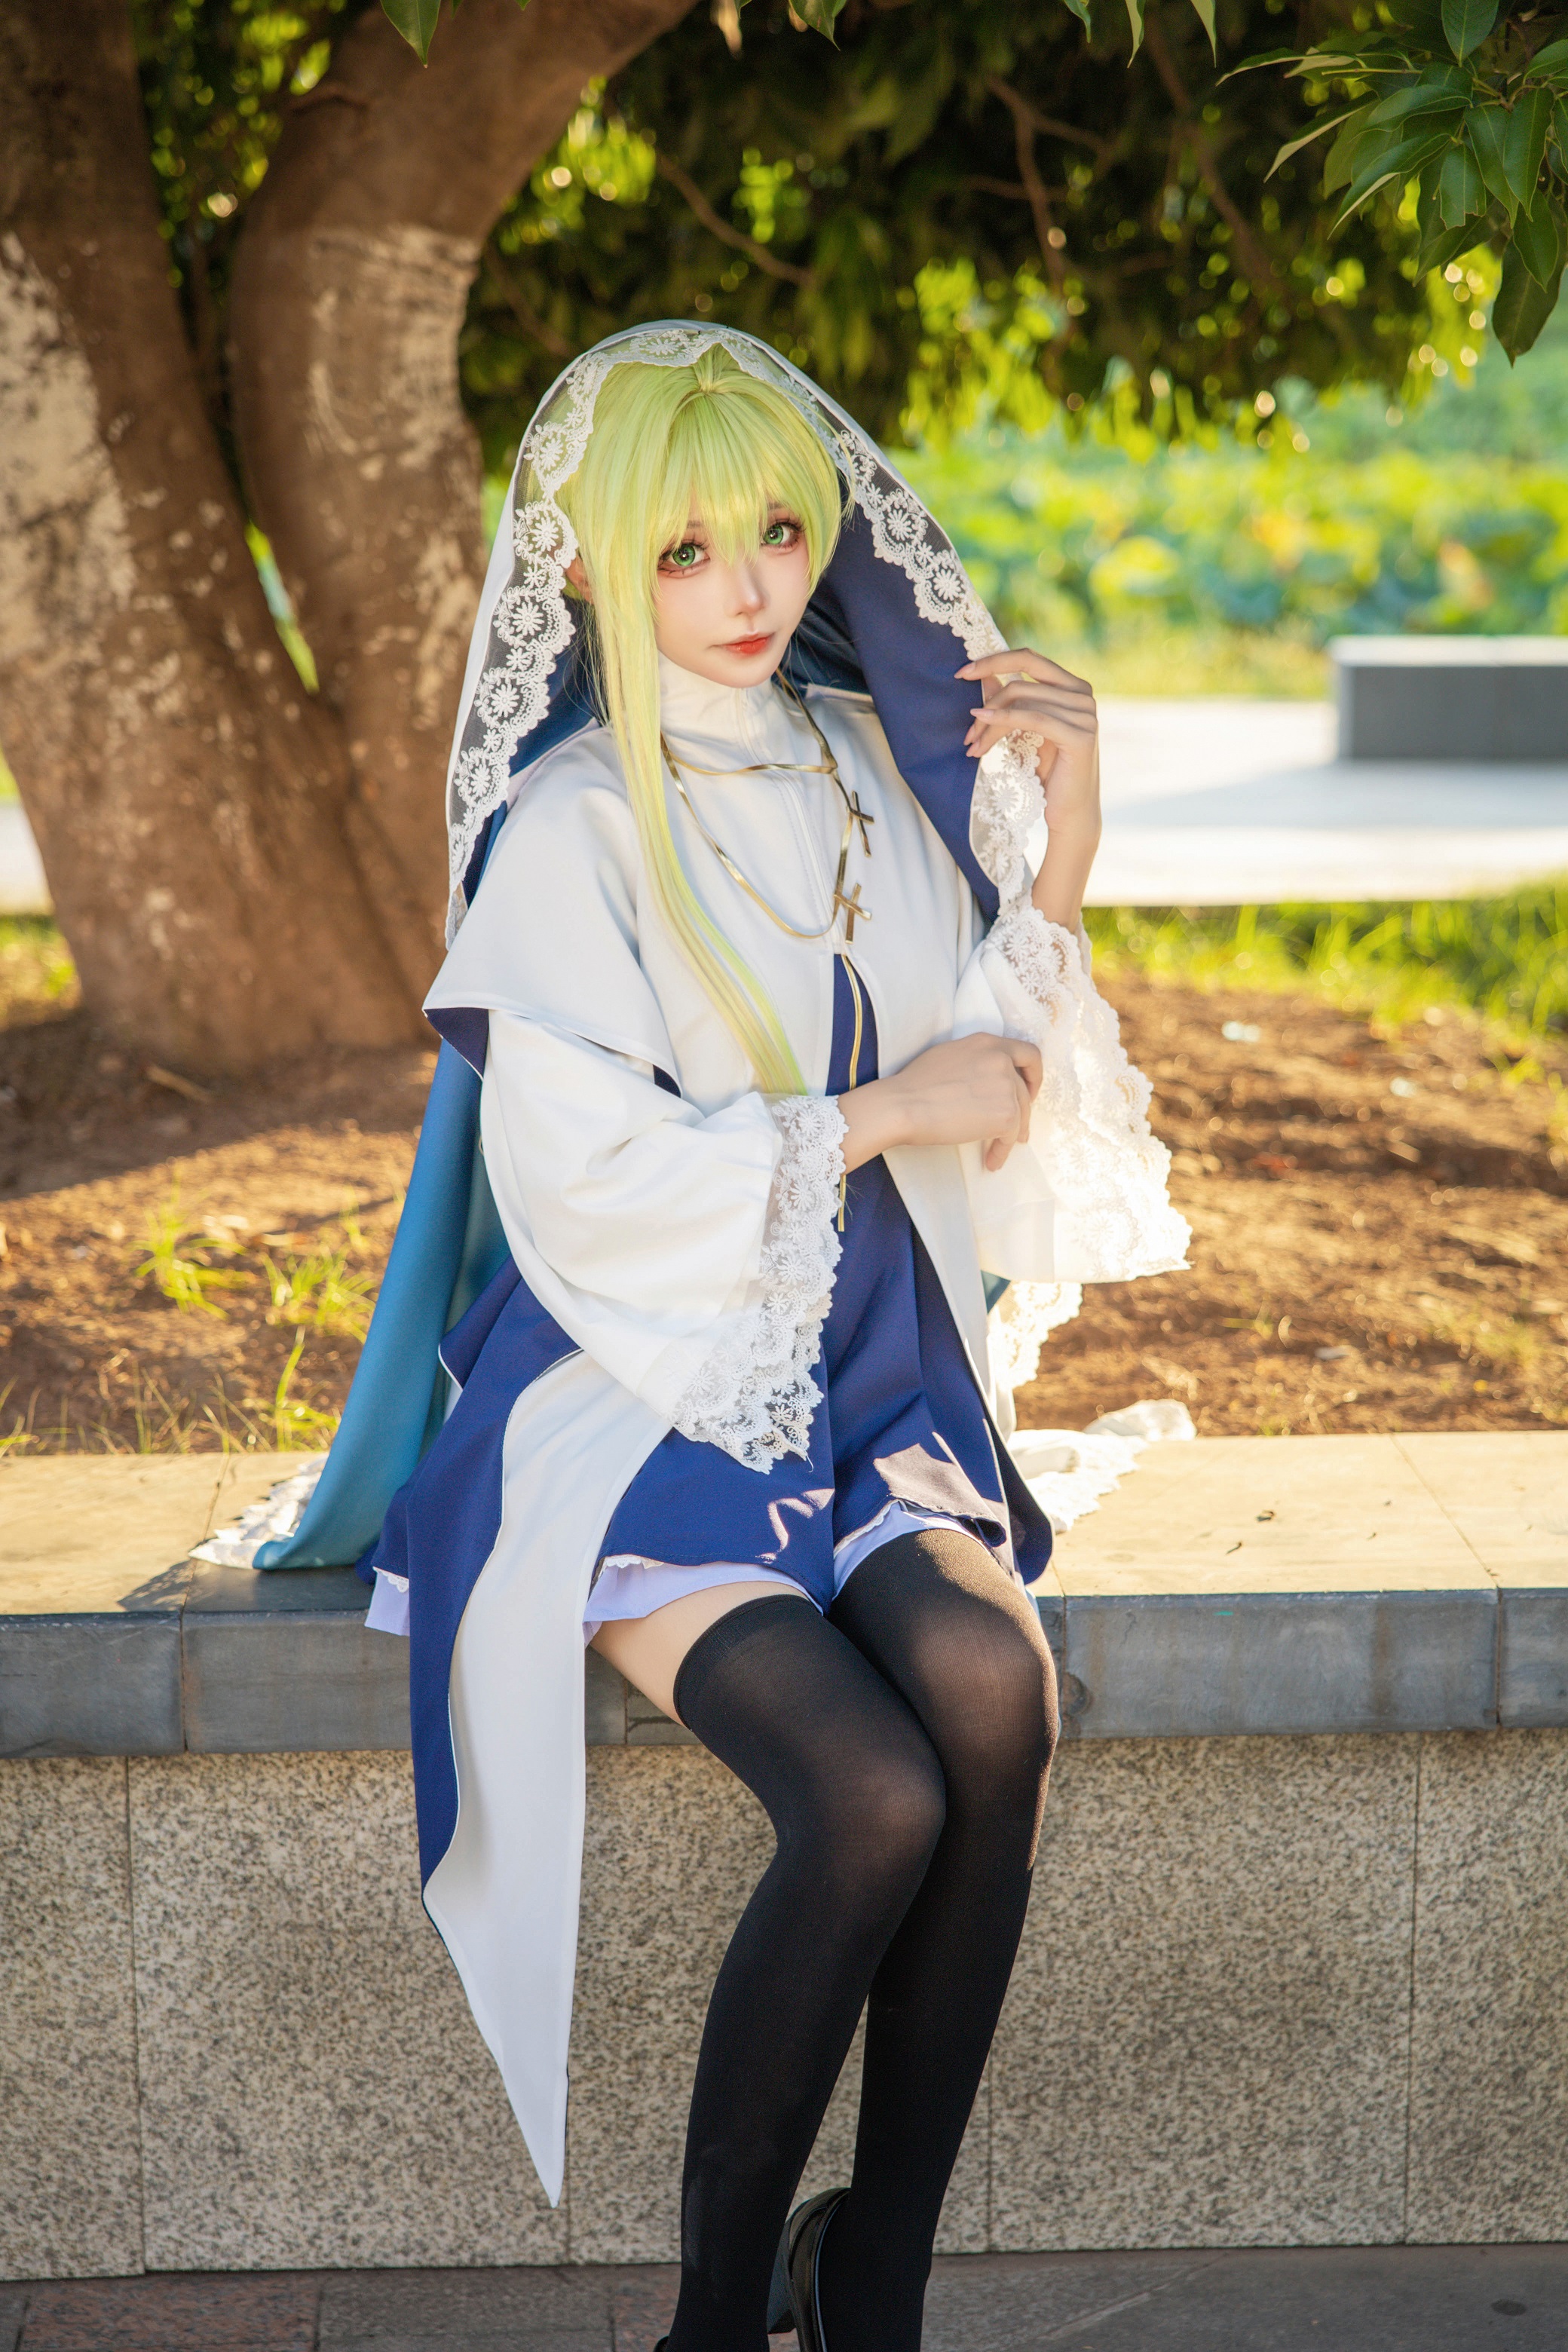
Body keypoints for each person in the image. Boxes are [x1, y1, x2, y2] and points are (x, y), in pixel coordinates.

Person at [273, 325, 1188, 2350]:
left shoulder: (865, 762)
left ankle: (875, 2280)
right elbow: (585, 1180)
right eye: (684, 551)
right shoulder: (573, 825)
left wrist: (1067, 832)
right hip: (637, 1389)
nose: (750, 586)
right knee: (870, 1796)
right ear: (588, 568)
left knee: (994, 1692)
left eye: (777, 531)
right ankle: (711, 2319)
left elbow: (998, 1076)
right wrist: (875, 1112)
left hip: (874, 1377)